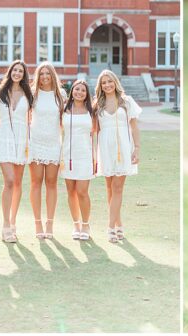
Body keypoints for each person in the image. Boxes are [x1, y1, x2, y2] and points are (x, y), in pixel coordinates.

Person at [95, 70, 141, 243]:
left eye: (109, 81)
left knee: (118, 188)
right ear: (100, 86)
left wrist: (137, 148)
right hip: (105, 148)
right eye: (103, 83)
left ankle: (110, 228)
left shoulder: (126, 102)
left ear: (115, 82)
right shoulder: (98, 104)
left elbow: (135, 127)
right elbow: (94, 129)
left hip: (123, 147)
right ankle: (118, 224)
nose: (107, 85)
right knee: (110, 188)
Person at [0, 60, 33, 243]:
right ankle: (5, 225)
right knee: (8, 181)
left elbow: (30, 117)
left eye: (21, 71)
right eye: (15, 70)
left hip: (22, 139)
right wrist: (3, 128)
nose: (17, 73)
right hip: (4, 137)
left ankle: (13, 222)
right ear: (10, 72)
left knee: (17, 182)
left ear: (24, 75)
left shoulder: (28, 93)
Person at [28, 62, 65, 239]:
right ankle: (37, 224)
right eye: (41, 74)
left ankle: (49, 223)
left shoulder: (61, 95)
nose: (44, 77)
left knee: (51, 183)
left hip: (53, 144)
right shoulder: (32, 95)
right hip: (35, 143)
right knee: (36, 183)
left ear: (52, 75)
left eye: (47, 73)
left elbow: (65, 121)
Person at [62, 79, 98, 241]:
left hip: (85, 155)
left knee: (82, 192)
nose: (79, 92)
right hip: (67, 155)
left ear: (87, 94)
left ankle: (85, 224)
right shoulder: (64, 109)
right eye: (77, 89)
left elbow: (95, 134)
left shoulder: (92, 111)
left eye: (83, 90)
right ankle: (76, 224)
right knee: (71, 191)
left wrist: (95, 157)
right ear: (72, 91)